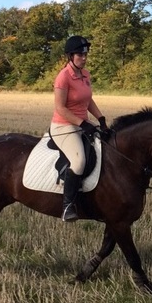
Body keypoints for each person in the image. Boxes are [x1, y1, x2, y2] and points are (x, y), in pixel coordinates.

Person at [50, 35, 109, 222]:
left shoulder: (85, 74)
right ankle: (68, 206)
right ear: (70, 56)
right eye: (80, 55)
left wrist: (101, 119)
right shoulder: (63, 77)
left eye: (85, 54)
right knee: (79, 161)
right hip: (64, 127)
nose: (84, 58)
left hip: (83, 124)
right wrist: (83, 124)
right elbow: (61, 108)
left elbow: (88, 100)